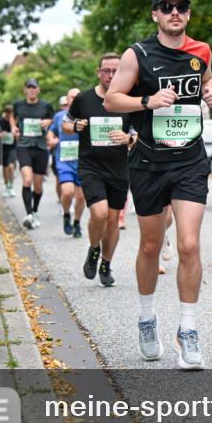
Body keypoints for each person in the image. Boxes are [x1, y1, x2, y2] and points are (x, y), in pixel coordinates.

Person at [104, 0, 212, 370]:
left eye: (181, 7)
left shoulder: (201, 51)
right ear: (155, 14)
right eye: (167, 7)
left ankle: (188, 331)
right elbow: (111, 99)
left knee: (188, 244)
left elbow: (207, 85)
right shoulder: (136, 55)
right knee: (151, 246)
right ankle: (146, 318)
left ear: (188, 14)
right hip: (149, 162)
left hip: (189, 160)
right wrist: (146, 101)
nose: (175, 12)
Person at [66, 53, 135, 288]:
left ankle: (106, 263)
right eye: (107, 70)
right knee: (100, 213)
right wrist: (75, 125)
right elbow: (65, 124)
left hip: (119, 169)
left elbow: (139, 136)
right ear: (99, 72)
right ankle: (94, 249)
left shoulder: (128, 100)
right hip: (91, 166)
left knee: (114, 220)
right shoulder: (84, 99)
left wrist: (128, 139)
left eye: (116, 70)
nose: (111, 75)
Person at [12, 78, 55, 229]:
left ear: (38, 89)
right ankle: (29, 215)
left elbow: (53, 120)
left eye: (34, 87)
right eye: (29, 87)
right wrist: (13, 127)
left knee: (37, 186)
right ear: (25, 90)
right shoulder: (18, 105)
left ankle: (35, 211)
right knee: (27, 179)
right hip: (24, 146)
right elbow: (13, 116)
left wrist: (48, 122)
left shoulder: (46, 105)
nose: (31, 90)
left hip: (41, 147)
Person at [48, 88, 86, 237]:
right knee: (68, 191)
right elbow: (51, 131)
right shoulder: (60, 116)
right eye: (72, 97)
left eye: (78, 96)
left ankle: (77, 222)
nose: (75, 99)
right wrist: (51, 139)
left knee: (81, 197)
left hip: (82, 161)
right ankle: (66, 215)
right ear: (67, 100)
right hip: (64, 160)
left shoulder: (86, 116)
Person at [0, 105, 17, 196]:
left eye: (11, 113)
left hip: (13, 147)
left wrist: (15, 135)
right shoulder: (0, 122)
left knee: (11, 166)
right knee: (5, 168)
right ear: (5, 113)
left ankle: (11, 186)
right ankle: (6, 186)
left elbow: (19, 133)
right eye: (8, 112)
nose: (9, 115)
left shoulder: (15, 122)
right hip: (2, 148)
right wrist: (0, 135)